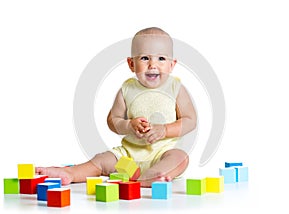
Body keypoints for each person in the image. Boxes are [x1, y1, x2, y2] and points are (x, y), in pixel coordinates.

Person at [36, 27, 197, 187]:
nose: (153, 65)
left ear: (172, 64)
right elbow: (113, 120)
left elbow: (190, 120)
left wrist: (165, 130)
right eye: (145, 58)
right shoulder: (127, 89)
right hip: (129, 156)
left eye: (161, 58)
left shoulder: (175, 88)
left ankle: (149, 177)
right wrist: (128, 125)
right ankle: (71, 173)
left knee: (180, 158)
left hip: (163, 153)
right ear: (131, 64)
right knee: (101, 160)